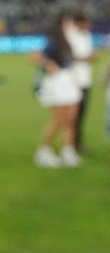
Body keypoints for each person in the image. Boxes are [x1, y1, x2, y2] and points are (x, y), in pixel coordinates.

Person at [32, 13, 83, 168]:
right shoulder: (52, 42)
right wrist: (48, 65)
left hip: (68, 81)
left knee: (72, 119)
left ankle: (67, 151)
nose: (70, 26)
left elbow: (70, 63)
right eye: (67, 23)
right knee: (59, 119)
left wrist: (75, 81)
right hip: (57, 83)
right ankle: (43, 151)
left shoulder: (67, 41)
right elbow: (34, 56)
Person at [64, 12, 96, 152]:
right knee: (73, 115)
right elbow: (67, 57)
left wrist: (89, 57)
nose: (89, 25)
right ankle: (71, 145)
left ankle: (76, 143)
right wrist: (86, 58)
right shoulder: (70, 36)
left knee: (81, 115)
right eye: (86, 22)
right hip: (74, 81)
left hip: (85, 80)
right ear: (78, 22)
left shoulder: (87, 36)